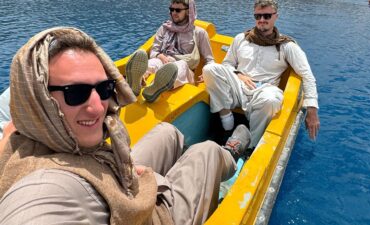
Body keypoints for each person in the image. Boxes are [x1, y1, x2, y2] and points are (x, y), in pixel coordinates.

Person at [0, 27, 252, 225]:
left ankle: (173, 172)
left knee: (167, 133)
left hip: (112, 180)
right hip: (153, 216)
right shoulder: (42, 193)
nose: (99, 107)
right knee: (205, 151)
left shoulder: (18, 139)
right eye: (76, 93)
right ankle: (228, 155)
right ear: (37, 101)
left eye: (104, 88)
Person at [203, 0, 320, 149]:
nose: (262, 20)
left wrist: (312, 109)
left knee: (271, 99)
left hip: (263, 90)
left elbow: (307, 75)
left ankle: (250, 146)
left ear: (275, 16)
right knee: (210, 69)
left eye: (266, 16)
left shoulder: (286, 46)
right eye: (258, 16)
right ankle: (227, 123)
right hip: (238, 86)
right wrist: (239, 74)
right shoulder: (241, 39)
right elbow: (228, 64)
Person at [126, 0, 214, 103]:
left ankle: (155, 86)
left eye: (178, 10)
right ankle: (137, 81)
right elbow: (154, 51)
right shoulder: (164, 28)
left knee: (180, 65)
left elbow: (210, 60)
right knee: (153, 62)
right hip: (165, 61)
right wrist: (160, 56)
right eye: (171, 9)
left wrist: (205, 73)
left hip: (186, 71)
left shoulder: (199, 33)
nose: (174, 13)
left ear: (188, 11)